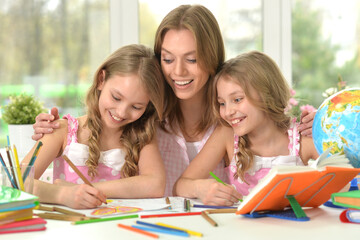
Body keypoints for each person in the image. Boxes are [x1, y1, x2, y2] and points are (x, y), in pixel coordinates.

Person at [30, 5, 315, 197]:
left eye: (191, 59)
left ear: (212, 57)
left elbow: (277, 133)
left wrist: (318, 129)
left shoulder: (234, 120)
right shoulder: (142, 116)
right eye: (167, 59)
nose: (178, 72)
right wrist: (51, 129)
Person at [22, 44, 166, 209]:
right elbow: (15, 182)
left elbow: (155, 184)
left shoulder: (141, 135)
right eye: (116, 97)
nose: (121, 111)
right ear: (101, 80)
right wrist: (61, 194)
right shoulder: (64, 130)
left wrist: (88, 190)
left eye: (136, 107)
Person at [175, 51, 319, 206]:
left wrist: (328, 127)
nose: (228, 111)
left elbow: (346, 177)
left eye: (237, 99)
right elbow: (181, 185)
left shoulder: (301, 138)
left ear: (267, 94)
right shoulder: (227, 136)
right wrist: (199, 188)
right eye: (222, 103)